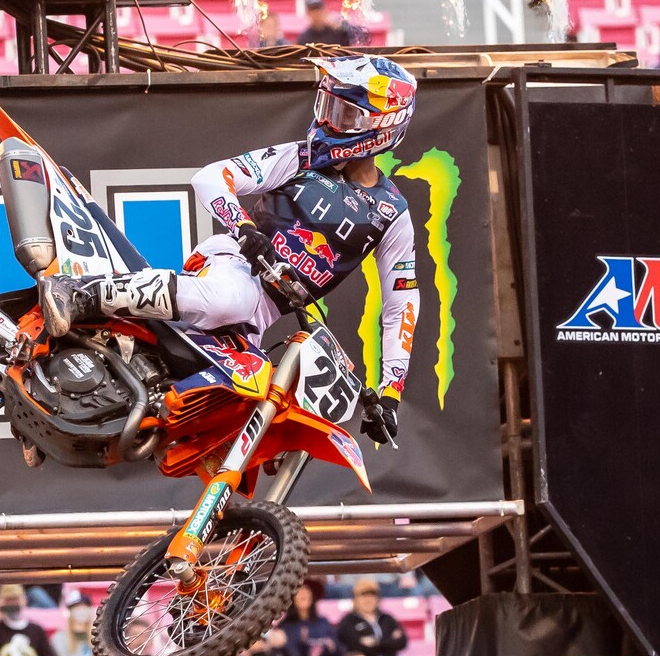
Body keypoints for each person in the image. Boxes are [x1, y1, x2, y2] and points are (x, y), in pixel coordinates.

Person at [43, 57, 419, 455]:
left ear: (382, 127)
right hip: (233, 264)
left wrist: (390, 393)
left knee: (237, 413)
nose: (328, 122)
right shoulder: (302, 157)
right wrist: (244, 229)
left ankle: (83, 422)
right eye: (327, 107)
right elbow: (211, 176)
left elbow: (401, 304)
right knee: (232, 298)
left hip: (263, 315)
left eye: (344, 114)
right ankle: (80, 292)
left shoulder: (391, 213)